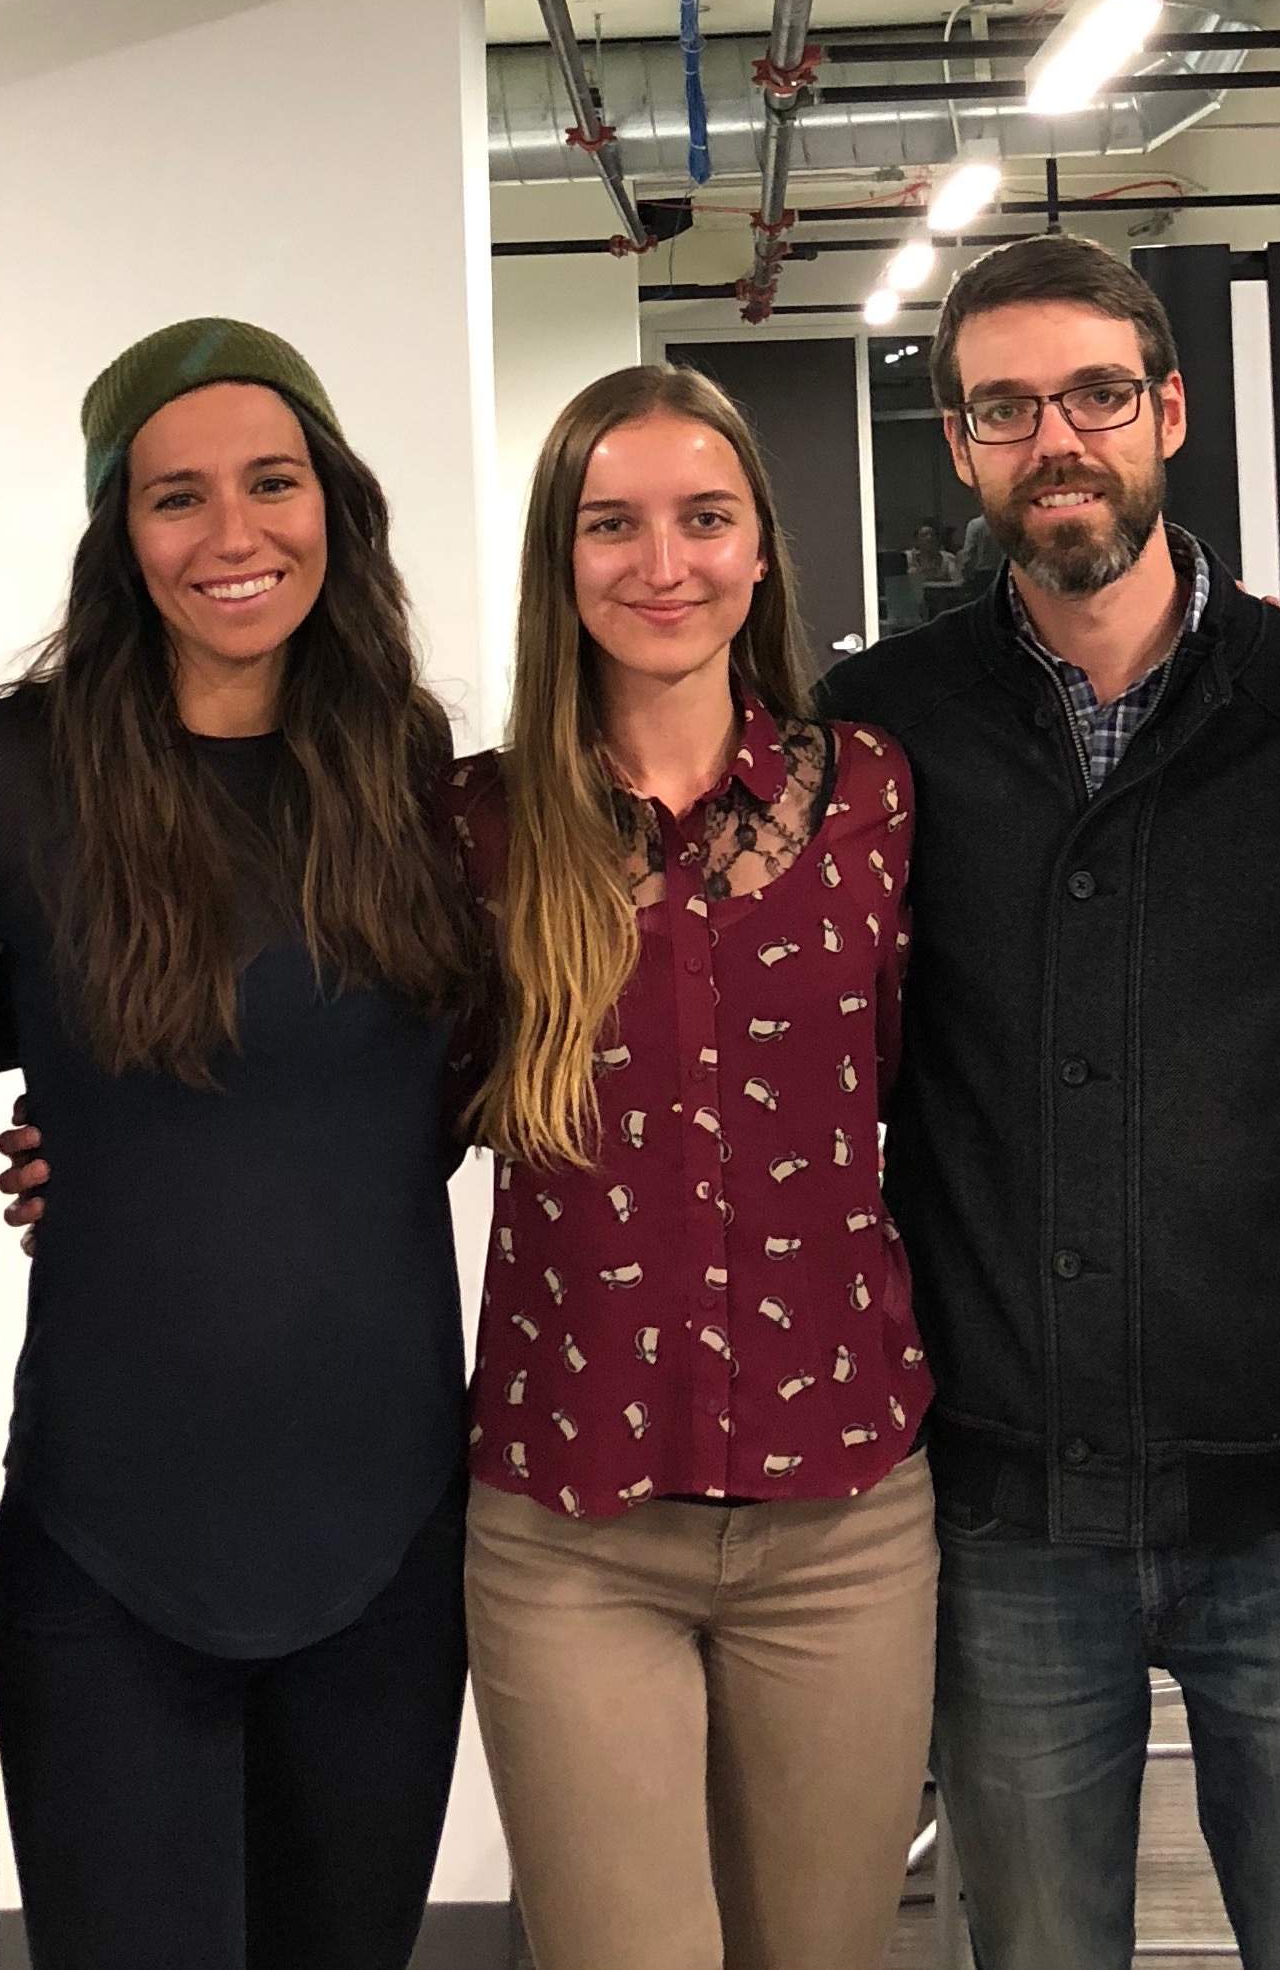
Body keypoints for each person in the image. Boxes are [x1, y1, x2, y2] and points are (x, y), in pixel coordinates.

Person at [815, 234, 1280, 1970]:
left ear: (1168, 410)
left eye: (1094, 394)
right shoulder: (877, 728)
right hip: (1008, 1498)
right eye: (1004, 408)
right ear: (956, 441)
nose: (1056, 439)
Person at [0, 319, 483, 1970]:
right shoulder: (5, 772)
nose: (235, 534)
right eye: (178, 498)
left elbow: (444, 1091)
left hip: (386, 1527)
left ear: (337, 501)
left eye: (274, 482)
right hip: (113, 1535)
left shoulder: (411, 773)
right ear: (119, 529)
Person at [449, 364, 937, 1970]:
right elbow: (348, 1093)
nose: (664, 563)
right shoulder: (476, 829)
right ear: (558, 559)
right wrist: (85, 1140)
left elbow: (966, 1090)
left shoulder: (872, 795)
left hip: (845, 1511)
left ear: (759, 551)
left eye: (704, 517)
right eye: (613, 524)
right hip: (571, 1523)